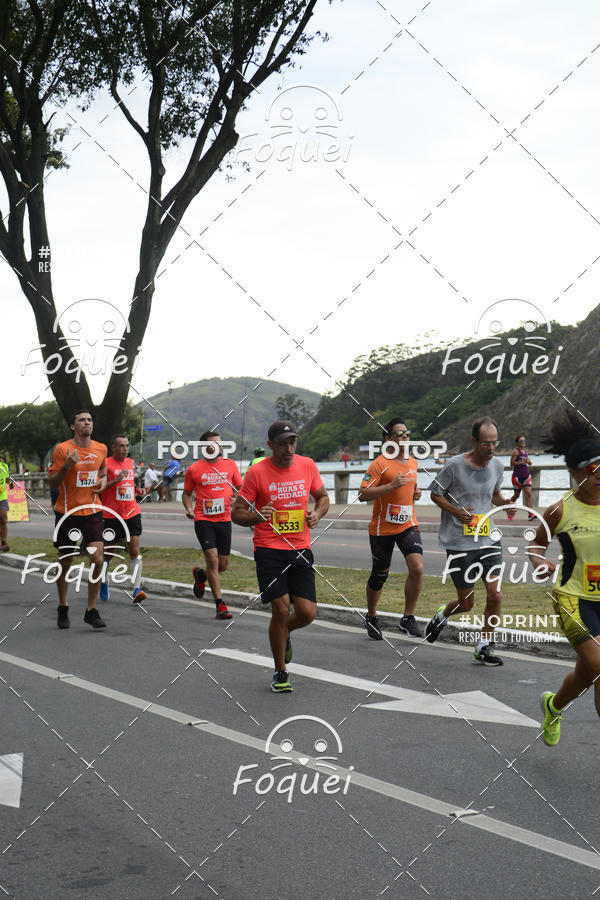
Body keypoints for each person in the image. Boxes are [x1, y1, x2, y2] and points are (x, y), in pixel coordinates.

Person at [231, 420, 330, 693]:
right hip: (268, 549)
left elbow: (323, 497)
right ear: (270, 445)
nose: (288, 448)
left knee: (307, 613)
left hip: (300, 547)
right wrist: (256, 516)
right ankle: (280, 671)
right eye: (282, 443)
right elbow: (237, 512)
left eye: (292, 442)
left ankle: (283, 633)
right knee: (281, 607)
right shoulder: (257, 472)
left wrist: (317, 513)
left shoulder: (307, 465)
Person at [529, 409, 600, 746]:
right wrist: (538, 561)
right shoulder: (560, 510)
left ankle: (553, 706)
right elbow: (536, 545)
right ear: (573, 472)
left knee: (587, 674)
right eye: (591, 469)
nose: (599, 475)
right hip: (573, 600)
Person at [425, 416, 508, 665]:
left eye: (494, 443)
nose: (491, 448)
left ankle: (484, 646)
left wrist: (505, 503)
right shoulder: (454, 465)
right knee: (466, 603)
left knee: (496, 595)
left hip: (488, 539)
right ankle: (442, 614)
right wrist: (456, 511)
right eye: (486, 443)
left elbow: (493, 493)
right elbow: (435, 493)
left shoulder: (498, 466)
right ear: (474, 441)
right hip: (459, 542)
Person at [358, 418, 424, 639]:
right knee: (379, 575)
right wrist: (390, 486)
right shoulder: (379, 464)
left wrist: (415, 494)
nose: (405, 437)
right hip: (382, 528)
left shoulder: (413, 462)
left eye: (407, 433)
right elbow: (362, 494)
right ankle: (372, 616)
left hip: (408, 524)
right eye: (399, 434)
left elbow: (409, 490)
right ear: (388, 439)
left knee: (417, 568)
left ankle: (408, 618)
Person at [48, 410, 107, 630]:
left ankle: (91, 610)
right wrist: (66, 466)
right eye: (81, 420)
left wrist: (103, 480)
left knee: (98, 560)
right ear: (73, 426)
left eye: (89, 420)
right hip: (67, 512)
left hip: (93, 510)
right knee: (66, 561)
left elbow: (103, 469)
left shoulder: (101, 448)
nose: (86, 423)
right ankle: (63, 605)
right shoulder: (62, 449)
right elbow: (52, 483)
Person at [182, 431, 242, 619]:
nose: (218, 446)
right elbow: (186, 493)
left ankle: (201, 575)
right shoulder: (194, 469)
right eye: (213, 443)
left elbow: (241, 489)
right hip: (203, 519)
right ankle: (220, 605)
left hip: (224, 519)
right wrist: (189, 508)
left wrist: (237, 500)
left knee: (222, 565)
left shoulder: (230, 465)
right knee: (213, 560)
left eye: (219, 443)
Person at [99, 434, 146, 603]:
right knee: (109, 552)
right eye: (121, 446)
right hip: (112, 515)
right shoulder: (106, 464)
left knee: (134, 550)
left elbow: (129, 482)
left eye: (127, 445)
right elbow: (100, 487)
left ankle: (137, 589)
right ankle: (103, 580)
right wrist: (117, 480)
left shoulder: (130, 462)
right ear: (113, 447)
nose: (125, 449)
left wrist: (137, 490)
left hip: (132, 512)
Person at [507, 434, 534, 520]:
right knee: (516, 495)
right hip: (517, 477)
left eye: (524, 441)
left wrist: (529, 462)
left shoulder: (526, 451)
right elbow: (511, 464)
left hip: (526, 475)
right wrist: (522, 462)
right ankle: (509, 509)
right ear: (517, 443)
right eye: (521, 441)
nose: (523, 442)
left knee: (528, 495)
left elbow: (528, 462)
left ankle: (530, 514)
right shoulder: (516, 452)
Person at [0, 454, 10, 552]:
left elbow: (7, 480)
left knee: (3, 518)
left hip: (2, 498)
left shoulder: (4, 466)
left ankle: (3, 543)